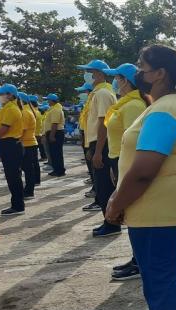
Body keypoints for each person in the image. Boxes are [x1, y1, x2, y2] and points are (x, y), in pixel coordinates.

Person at [105, 44, 176, 310]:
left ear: (160, 73)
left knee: (161, 283)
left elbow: (144, 170)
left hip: (155, 208)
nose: (137, 73)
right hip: (155, 208)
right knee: (160, 282)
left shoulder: (165, 111)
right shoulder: (167, 105)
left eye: (142, 67)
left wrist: (117, 203)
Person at [99, 63, 150, 281]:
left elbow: (135, 142)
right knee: (131, 214)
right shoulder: (126, 104)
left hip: (128, 162)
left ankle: (140, 261)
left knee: (136, 212)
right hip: (118, 160)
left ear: (127, 81)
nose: (115, 83)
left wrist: (125, 170)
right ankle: (136, 257)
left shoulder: (133, 107)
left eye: (118, 78)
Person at [78, 59, 120, 238]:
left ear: (101, 74)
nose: (89, 75)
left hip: (102, 143)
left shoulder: (102, 93)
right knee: (101, 185)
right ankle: (108, 221)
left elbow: (104, 122)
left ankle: (111, 224)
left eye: (92, 72)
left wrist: (97, 151)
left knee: (104, 186)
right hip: (97, 142)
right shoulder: (98, 92)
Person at [0, 84, 25, 215]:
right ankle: (17, 204)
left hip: (10, 144)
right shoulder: (6, 108)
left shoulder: (11, 109)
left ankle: (18, 206)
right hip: (8, 144)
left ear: (10, 95)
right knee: (12, 176)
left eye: (2, 94)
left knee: (13, 177)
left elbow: (3, 129)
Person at [18, 92, 39, 200]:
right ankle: (28, 190)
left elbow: (22, 130)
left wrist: (16, 141)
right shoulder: (26, 111)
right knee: (28, 169)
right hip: (28, 143)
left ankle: (29, 191)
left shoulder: (25, 112)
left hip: (27, 144)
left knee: (28, 169)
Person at [76, 82, 96, 193]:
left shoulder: (93, 100)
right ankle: (94, 183)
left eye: (84, 91)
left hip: (90, 134)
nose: (83, 93)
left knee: (92, 161)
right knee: (89, 162)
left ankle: (96, 187)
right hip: (86, 133)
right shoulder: (88, 102)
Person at [43, 94, 66, 177]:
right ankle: (56, 169)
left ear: (52, 100)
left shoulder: (55, 110)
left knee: (56, 153)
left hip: (56, 132)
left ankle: (59, 171)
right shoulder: (53, 109)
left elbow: (54, 123)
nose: (47, 101)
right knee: (54, 153)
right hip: (54, 132)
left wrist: (52, 136)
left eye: (48, 100)